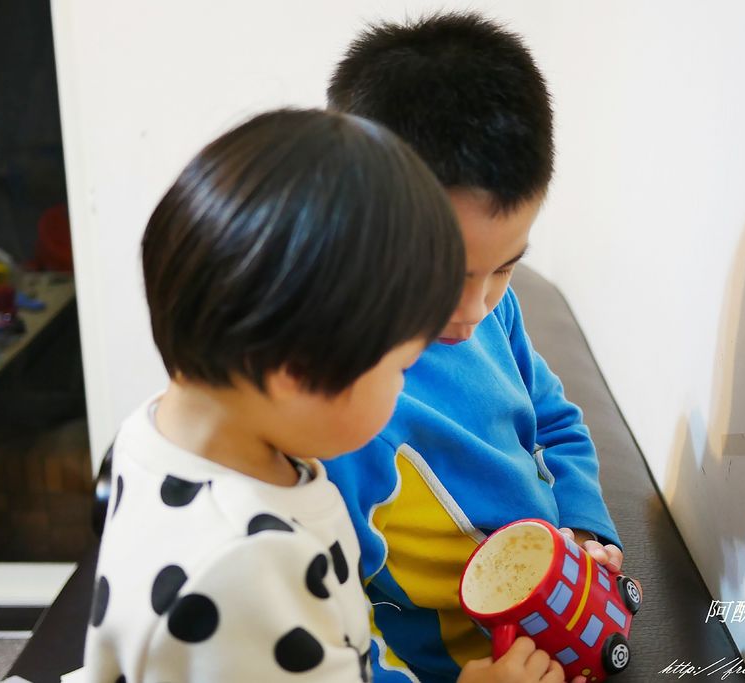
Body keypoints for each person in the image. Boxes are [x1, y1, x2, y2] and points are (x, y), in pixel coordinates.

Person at [82, 108, 561, 682]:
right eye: (401, 367)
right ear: (296, 371)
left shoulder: (158, 433)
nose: (404, 387)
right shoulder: (244, 572)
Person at [325, 14, 626, 682]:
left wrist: (583, 529)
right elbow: (330, 630)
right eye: (444, 274)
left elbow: (556, 423)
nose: (473, 310)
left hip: (558, 622)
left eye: (505, 267)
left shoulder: (495, 313)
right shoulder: (332, 409)